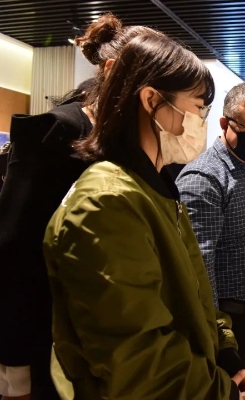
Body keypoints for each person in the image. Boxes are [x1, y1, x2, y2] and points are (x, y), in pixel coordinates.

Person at [43, 32, 245, 400]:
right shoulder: (108, 202)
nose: (201, 121)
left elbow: (192, 292)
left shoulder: (155, 190)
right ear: (152, 100)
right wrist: (221, 392)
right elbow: (139, 361)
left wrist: (225, 352)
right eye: (198, 107)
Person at [0, 14, 169, 400]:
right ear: (113, 72)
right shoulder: (58, 131)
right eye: (154, 92)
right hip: (50, 339)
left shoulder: (132, 140)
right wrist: (15, 368)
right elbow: (15, 252)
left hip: (112, 338)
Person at [177, 82, 245, 387]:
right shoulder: (205, 178)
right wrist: (220, 340)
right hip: (228, 324)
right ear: (225, 124)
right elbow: (198, 268)